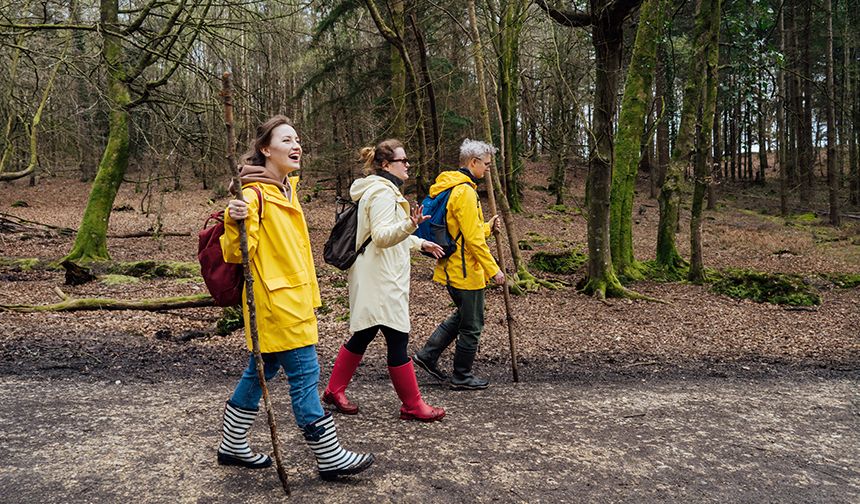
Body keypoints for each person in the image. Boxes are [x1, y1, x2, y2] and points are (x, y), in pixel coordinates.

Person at [216, 115, 373, 481]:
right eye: (286, 140)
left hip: (293, 300)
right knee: (305, 372)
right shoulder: (254, 194)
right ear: (265, 150)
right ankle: (329, 455)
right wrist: (233, 218)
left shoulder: (287, 189)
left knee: (262, 372)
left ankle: (232, 444)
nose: (296, 145)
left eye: (297, 139)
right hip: (276, 304)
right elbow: (239, 253)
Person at [322, 139, 446, 422]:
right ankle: (412, 405)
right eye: (403, 161)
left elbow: (390, 235)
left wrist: (418, 242)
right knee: (397, 337)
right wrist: (411, 224)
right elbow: (380, 236)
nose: (408, 166)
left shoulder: (383, 190)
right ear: (386, 165)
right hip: (380, 278)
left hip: (378, 274)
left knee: (365, 334)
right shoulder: (381, 193)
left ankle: (333, 390)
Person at [412, 139, 504, 390]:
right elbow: (473, 241)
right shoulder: (464, 192)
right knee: (473, 325)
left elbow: (465, 231)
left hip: (455, 268)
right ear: (472, 162)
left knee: (464, 316)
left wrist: (487, 227)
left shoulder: (456, 187)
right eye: (485, 164)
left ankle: (428, 355)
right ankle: (461, 375)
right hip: (464, 272)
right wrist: (493, 269)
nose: (487, 169)